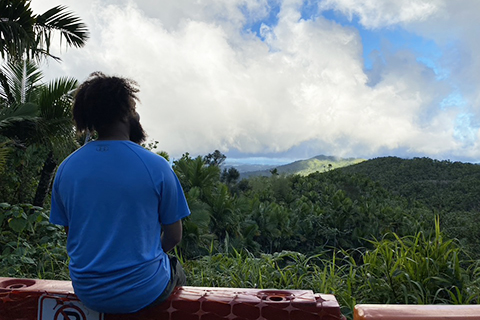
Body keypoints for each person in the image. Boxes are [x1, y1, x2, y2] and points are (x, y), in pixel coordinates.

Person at [49, 72, 191, 314]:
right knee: (177, 270)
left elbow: (72, 234)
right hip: (145, 289)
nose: (136, 114)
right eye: (134, 108)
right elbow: (174, 237)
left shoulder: (66, 168)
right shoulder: (156, 166)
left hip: (87, 291)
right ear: (126, 112)